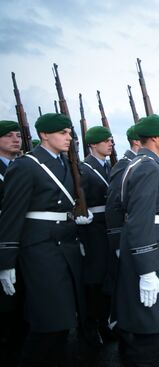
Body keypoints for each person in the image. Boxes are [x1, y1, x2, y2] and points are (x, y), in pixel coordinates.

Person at [0, 113, 87, 366]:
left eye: (70, 133)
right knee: (50, 322)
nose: (68, 137)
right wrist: (5, 261)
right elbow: (12, 215)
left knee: (65, 321)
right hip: (40, 249)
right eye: (62, 133)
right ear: (44, 135)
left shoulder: (66, 163)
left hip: (66, 245)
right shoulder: (26, 165)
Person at [114, 114, 159, 367]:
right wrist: (147, 269)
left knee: (154, 319)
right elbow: (139, 219)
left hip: (146, 242)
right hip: (147, 245)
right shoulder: (146, 167)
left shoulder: (138, 163)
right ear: (155, 137)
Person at [78, 126, 115, 357]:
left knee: (108, 277)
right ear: (92, 145)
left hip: (109, 228)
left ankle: (103, 322)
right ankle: (89, 326)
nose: (110, 144)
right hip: (92, 229)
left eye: (110, 140)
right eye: (105, 141)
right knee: (94, 280)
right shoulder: (83, 169)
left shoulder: (110, 166)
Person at [105, 125, 142, 301]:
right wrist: (116, 243)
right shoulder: (125, 165)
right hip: (128, 235)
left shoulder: (138, 163)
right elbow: (113, 205)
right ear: (137, 141)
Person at [0, 120, 26, 366]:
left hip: (22, 238)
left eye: (18, 135)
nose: (16, 139)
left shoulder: (21, 166)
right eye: (8, 136)